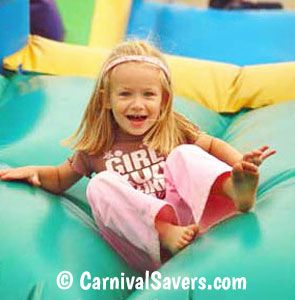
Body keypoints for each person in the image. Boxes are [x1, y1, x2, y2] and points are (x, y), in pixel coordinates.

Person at [0, 40, 275, 273]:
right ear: (106, 99)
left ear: (164, 100)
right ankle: (164, 231)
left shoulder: (172, 127)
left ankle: (235, 190)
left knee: (186, 154)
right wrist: (32, 172)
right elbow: (60, 178)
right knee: (100, 184)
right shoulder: (97, 147)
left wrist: (241, 164)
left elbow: (213, 145)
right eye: (125, 94)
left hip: (192, 222)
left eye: (148, 94)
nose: (137, 104)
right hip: (143, 242)